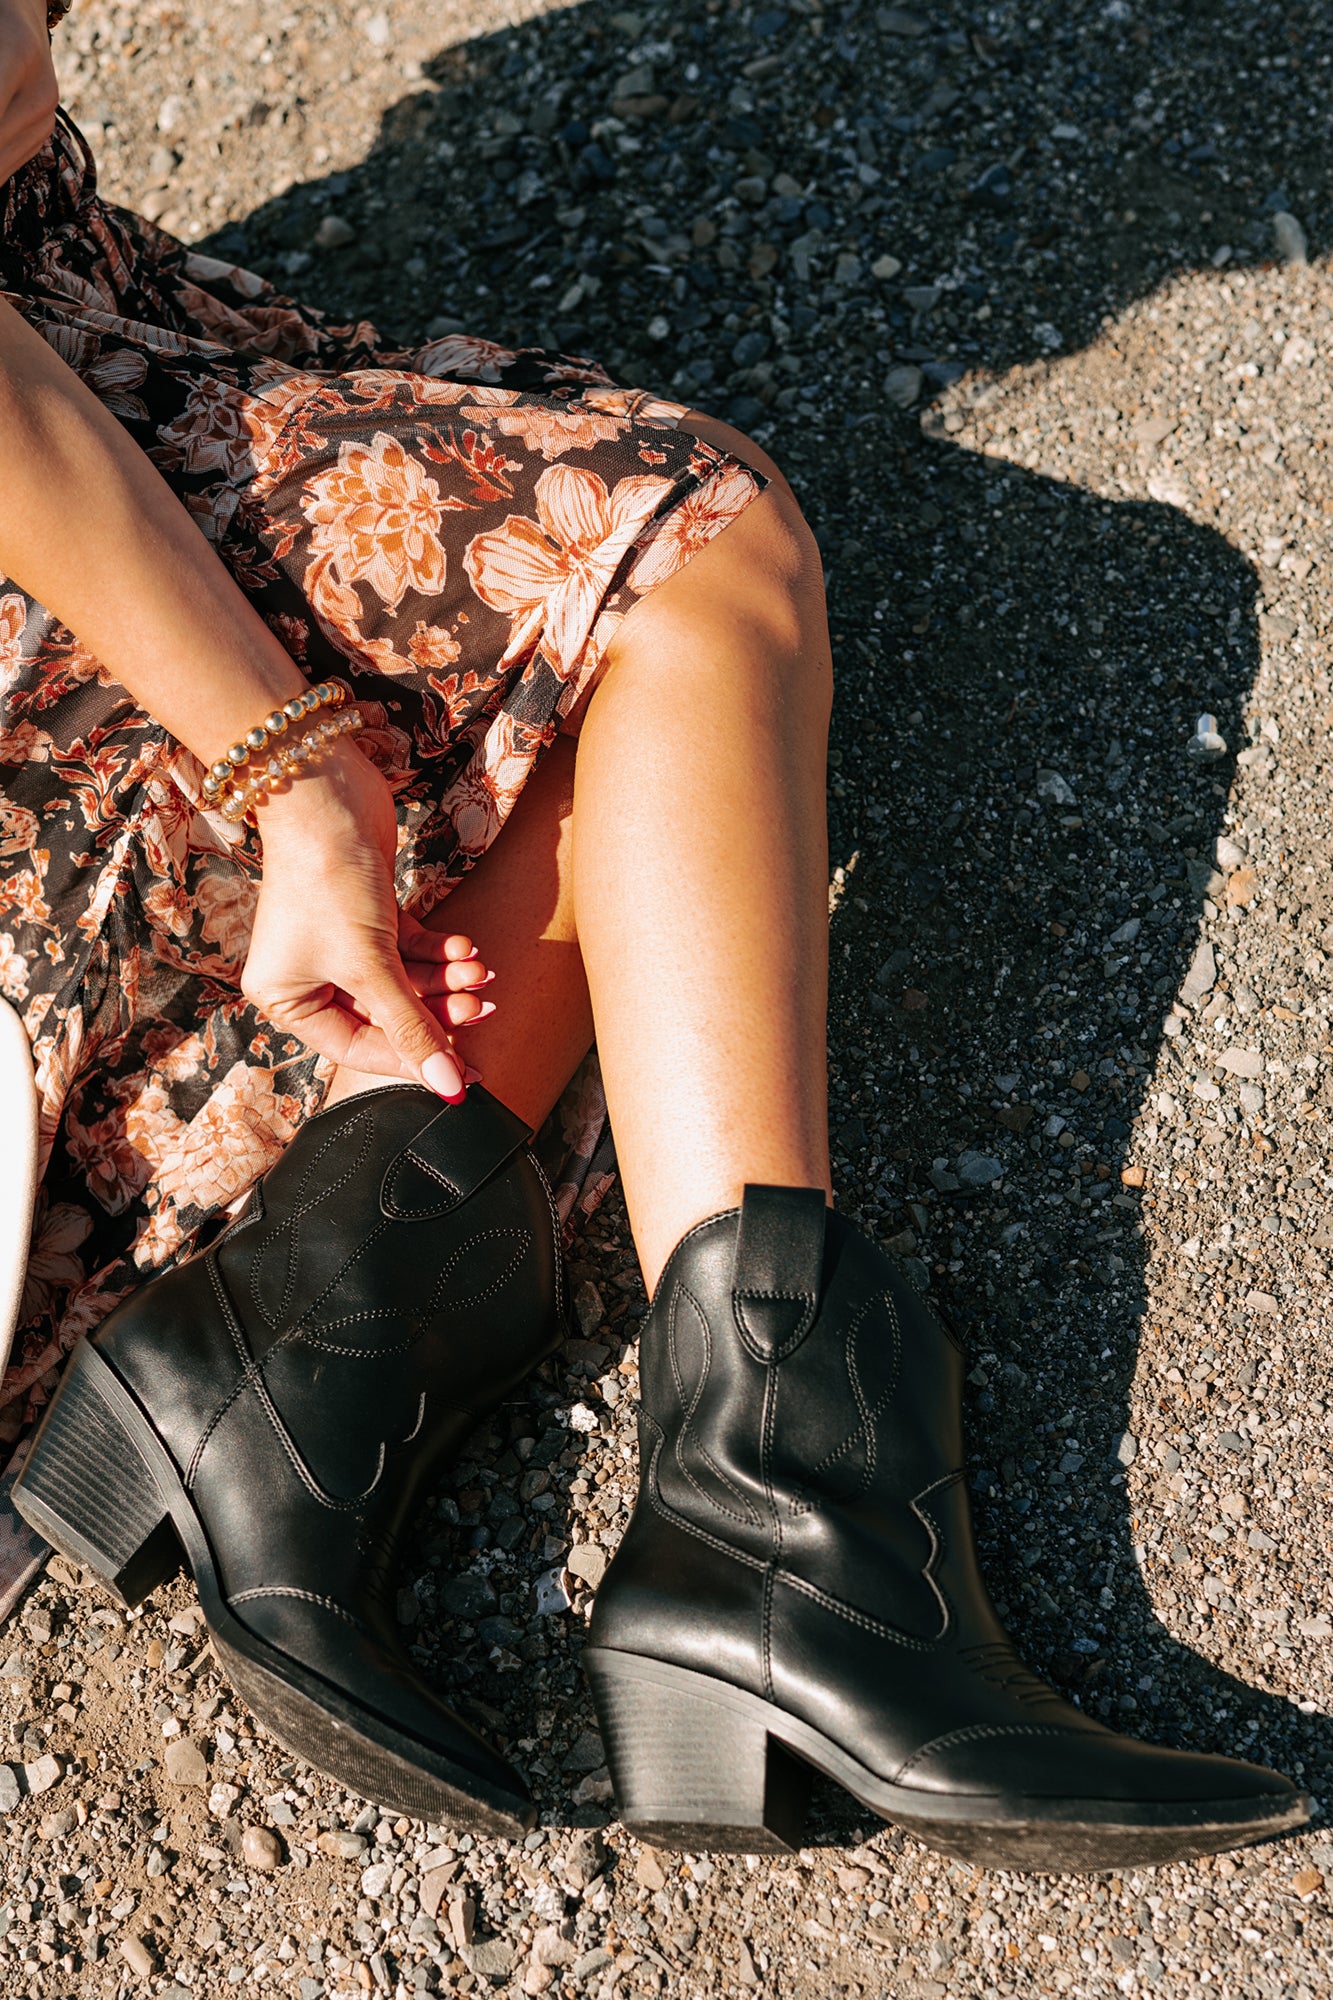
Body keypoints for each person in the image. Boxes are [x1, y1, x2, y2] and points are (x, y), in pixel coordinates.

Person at [0, 0, 1305, 1868]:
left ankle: (311, 1344)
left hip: (78, 361)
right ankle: (764, 1526)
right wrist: (285, 773)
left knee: (598, 675)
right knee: (686, 556)